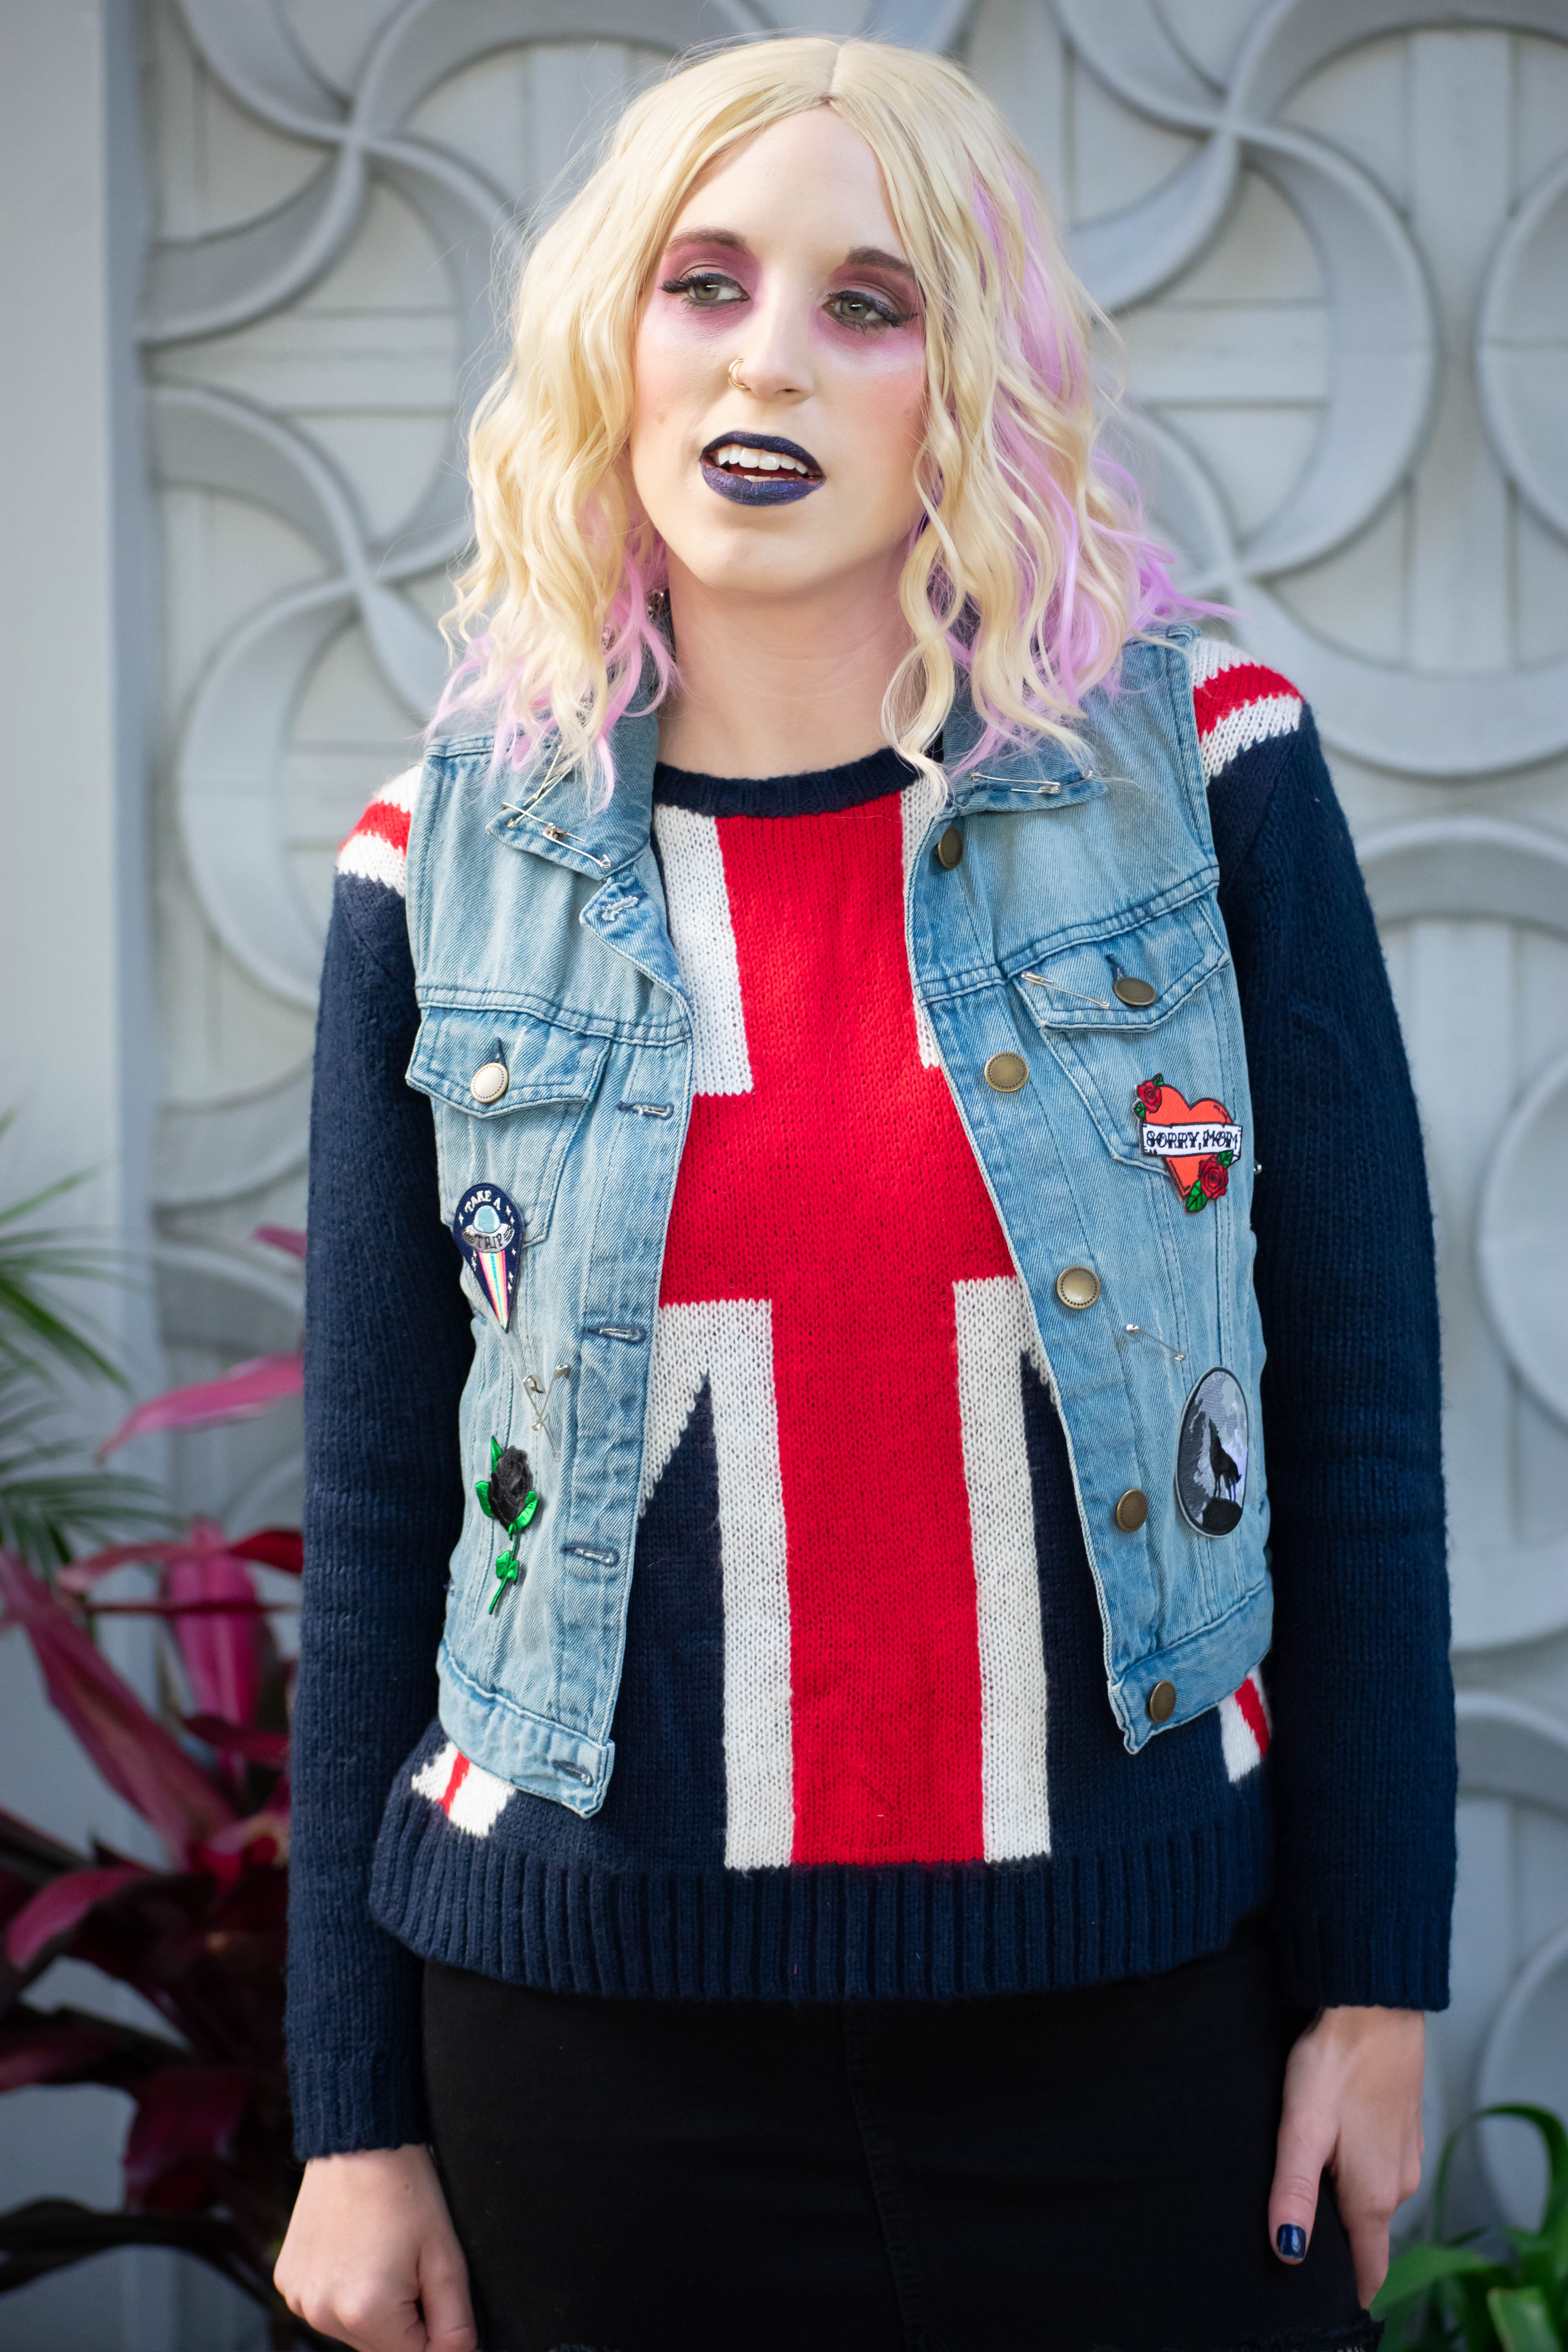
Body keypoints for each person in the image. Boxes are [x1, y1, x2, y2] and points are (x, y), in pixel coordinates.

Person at [274, 36, 1454, 2352]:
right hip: (583, 2069)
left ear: (972, 381)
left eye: (868, 304)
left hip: (1142, 2032)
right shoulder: (436, 869)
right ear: (612, 341)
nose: (769, 362)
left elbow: (1358, 1423)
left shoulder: (1205, 777)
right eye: (705, 284)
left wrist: (1375, 1981)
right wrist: (348, 2117)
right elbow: (381, 1515)